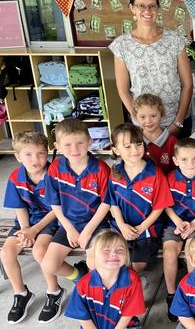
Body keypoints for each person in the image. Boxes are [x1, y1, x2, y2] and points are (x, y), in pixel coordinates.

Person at [40, 119, 111, 323]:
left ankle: (97, 301)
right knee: (49, 264)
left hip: (97, 224)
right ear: (57, 147)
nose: (74, 149)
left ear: (90, 141)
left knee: (94, 263)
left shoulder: (100, 168)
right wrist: (69, 228)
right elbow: (54, 203)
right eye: (68, 145)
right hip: (69, 224)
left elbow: (106, 203)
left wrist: (88, 230)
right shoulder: (55, 168)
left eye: (80, 143)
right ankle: (78, 277)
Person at [110, 0, 193, 136]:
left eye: (152, 6)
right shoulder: (121, 45)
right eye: (141, 6)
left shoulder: (175, 40)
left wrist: (178, 121)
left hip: (176, 122)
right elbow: (123, 90)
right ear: (132, 8)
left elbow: (187, 84)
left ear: (158, 8)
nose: (147, 11)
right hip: (144, 128)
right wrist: (139, 121)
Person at [0, 132, 58, 324]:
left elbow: (58, 210)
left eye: (41, 153)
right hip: (27, 222)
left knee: (40, 251)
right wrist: (26, 229)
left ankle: (54, 291)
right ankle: (21, 293)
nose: (35, 159)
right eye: (28, 154)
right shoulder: (15, 177)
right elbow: (19, 206)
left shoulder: (55, 175)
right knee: (7, 253)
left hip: (51, 221)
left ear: (48, 153)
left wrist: (35, 231)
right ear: (18, 156)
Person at [105, 124, 173, 273]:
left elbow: (159, 207)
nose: (135, 150)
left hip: (148, 229)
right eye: (127, 146)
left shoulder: (155, 173)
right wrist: (121, 225)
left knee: (138, 266)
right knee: (115, 259)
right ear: (116, 150)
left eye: (138, 144)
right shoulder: (115, 172)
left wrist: (141, 227)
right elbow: (112, 202)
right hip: (120, 227)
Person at [163, 138, 195, 322]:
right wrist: (178, 222)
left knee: (193, 254)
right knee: (169, 253)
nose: (190, 164)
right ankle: (171, 295)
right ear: (175, 160)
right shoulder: (170, 178)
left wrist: (192, 224)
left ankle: (194, 295)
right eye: (184, 159)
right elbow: (166, 205)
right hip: (174, 222)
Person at [64, 230, 145, 329]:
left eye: (119, 250)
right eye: (106, 250)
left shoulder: (132, 280)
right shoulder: (83, 284)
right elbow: (82, 317)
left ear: (126, 255)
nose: (113, 254)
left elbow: (129, 312)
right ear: (94, 256)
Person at [134, 93, 177, 173]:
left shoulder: (172, 142)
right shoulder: (133, 141)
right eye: (143, 117)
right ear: (136, 117)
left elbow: (177, 172)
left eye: (153, 116)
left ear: (161, 115)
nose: (148, 121)